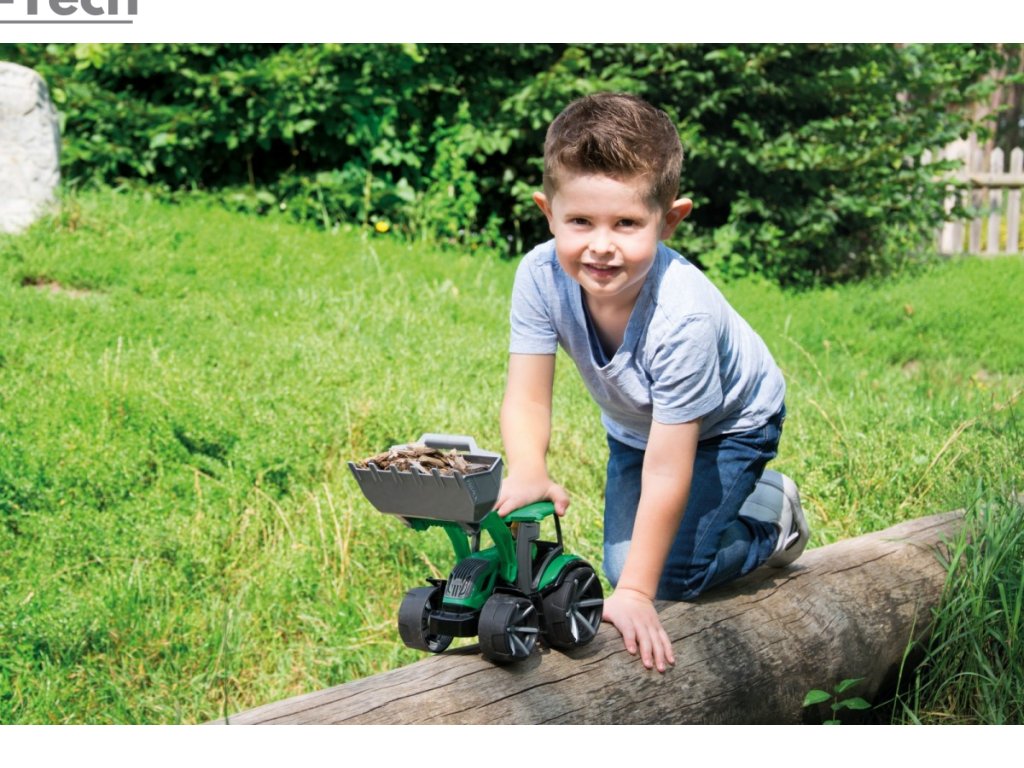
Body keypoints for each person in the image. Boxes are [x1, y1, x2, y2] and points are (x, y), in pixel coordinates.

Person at [493, 92, 808, 674]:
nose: (601, 245)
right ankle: (710, 522)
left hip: (730, 424)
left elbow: (668, 468)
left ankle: (771, 520)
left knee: (667, 578)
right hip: (639, 425)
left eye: (627, 223)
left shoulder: (681, 316)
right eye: (580, 221)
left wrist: (638, 594)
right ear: (548, 212)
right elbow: (528, 396)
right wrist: (529, 466)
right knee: (622, 563)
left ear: (670, 220)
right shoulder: (539, 276)